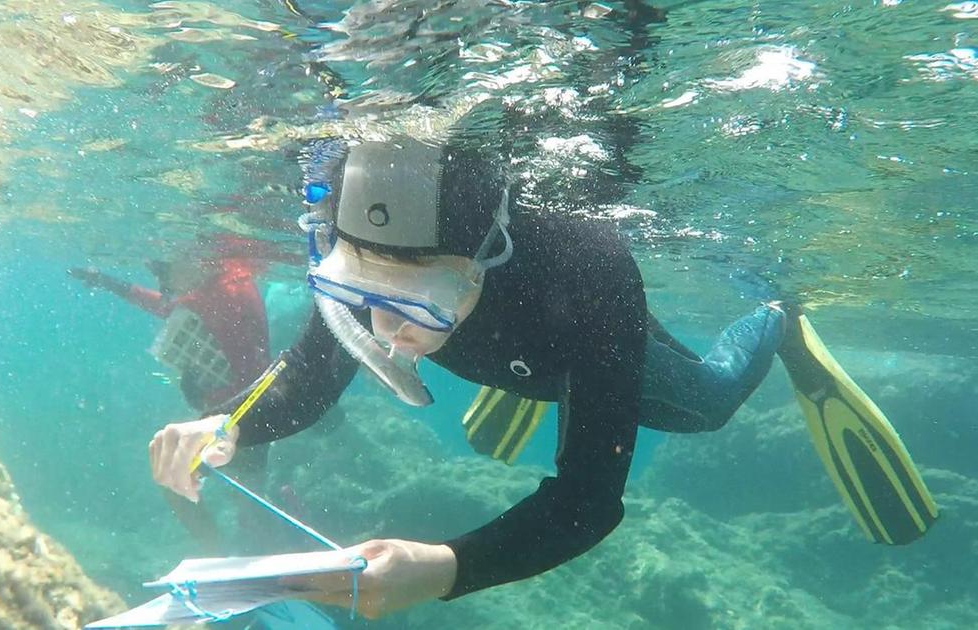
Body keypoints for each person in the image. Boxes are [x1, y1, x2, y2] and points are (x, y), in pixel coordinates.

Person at [147, 126, 936, 617]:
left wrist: (449, 568)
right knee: (443, 342)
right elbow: (313, 376)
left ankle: (775, 319)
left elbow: (590, 499)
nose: (383, 332)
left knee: (705, 406)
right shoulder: (358, 258)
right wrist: (229, 425)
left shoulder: (586, 267)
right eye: (360, 293)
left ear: (482, 262)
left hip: (571, 343)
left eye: (416, 300)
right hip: (515, 353)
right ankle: (523, 380)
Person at [71, 235, 276, 554]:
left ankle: (220, 556)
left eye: (163, 270)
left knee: (178, 480)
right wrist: (108, 282)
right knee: (245, 500)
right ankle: (246, 555)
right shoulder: (224, 286)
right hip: (246, 413)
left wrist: (204, 392)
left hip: (237, 416)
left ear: (192, 260)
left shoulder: (222, 293)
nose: (160, 277)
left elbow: (246, 367)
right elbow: (167, 304)